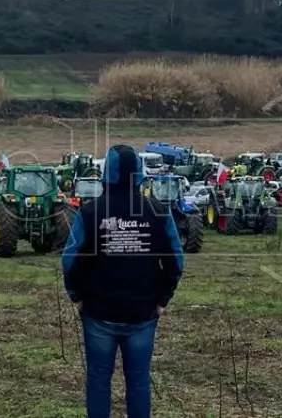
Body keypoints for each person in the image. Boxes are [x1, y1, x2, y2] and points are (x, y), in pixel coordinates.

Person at [62, 144, 184, 418]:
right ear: (140, 174)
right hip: (143, 314)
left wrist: (76, 295)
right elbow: (176, 259)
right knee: (139, 381)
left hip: (98, 314)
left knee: (98, 382)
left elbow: (70, 260)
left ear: (106, 174)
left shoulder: (90, 212)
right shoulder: (158, 211)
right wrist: (163, 298)